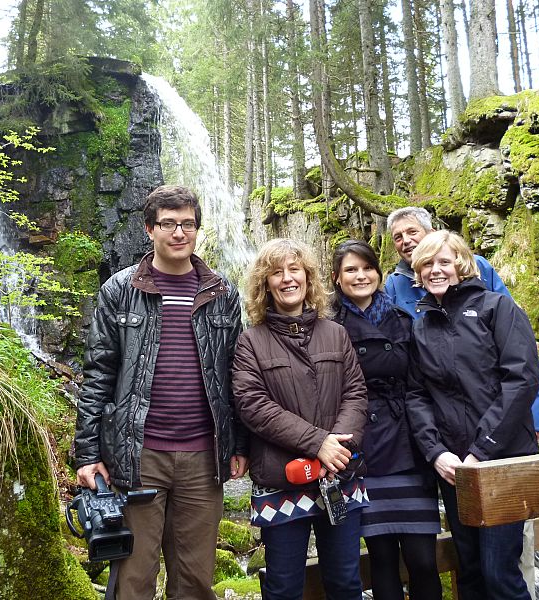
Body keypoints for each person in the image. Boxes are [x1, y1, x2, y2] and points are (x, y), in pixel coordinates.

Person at [74, 185, 248, 600]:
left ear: (197, 229)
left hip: (203, 457)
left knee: (195, 581)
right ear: (149, 229)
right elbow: (98, 373)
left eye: (187, 224)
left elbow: (235, 375)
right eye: (168, 224)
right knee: (134, 579)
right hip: (139, 455)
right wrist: (88, 454)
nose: (179, 233)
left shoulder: (222, 293)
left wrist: (239, 443)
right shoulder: (120, 290)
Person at [384, 207, 539, 596]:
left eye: (444, 261)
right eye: (427, 265)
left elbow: (521, 379)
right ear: (418, 274)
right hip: (454, 467)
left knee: (499, 572)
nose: (435, 270)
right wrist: (436, 452)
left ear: (462, 265)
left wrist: (482, 450)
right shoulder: (422, 325)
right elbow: (417, 394)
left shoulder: (497, 308)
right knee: (469, 569)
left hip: (502, 459)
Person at [232, 238, 369, 600]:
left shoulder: (335, 334)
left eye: (295, 270)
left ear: (308, 278)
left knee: (345, 582)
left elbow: (356, 394)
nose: (287, 278)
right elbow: (252, 404)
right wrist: (318, 443)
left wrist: (337, 448)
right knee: (283, 588)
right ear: (266, 283)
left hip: (339, 475)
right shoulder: (251, 342)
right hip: (282, 480)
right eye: (277, 272)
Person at [331, 239, 442, 600]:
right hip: (365, 449)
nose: (361, 276)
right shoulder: (330, 327)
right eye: (351, 270)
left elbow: (422, 383)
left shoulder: (403, 320)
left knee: (423, 559)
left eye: (367, 268)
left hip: (409, 445)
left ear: (379, 273)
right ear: (336, 278)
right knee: (381, 557)